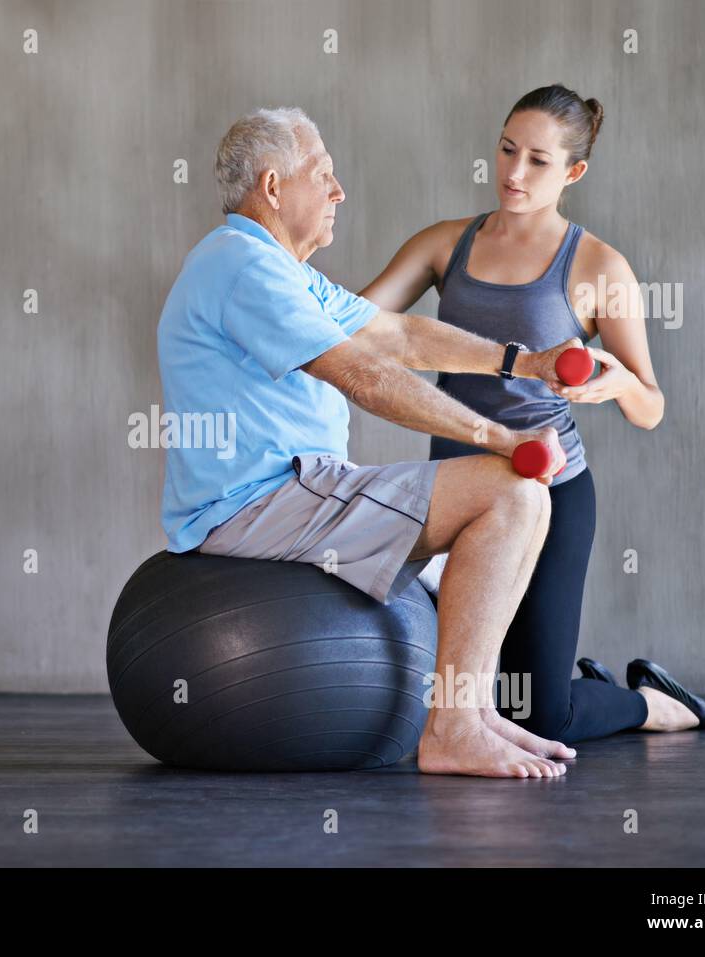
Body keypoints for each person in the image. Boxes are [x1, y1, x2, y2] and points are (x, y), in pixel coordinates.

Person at [158, 107, 584, 778]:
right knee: (510, 493)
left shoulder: (283, 270)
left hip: (298, 491)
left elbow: (399, 337)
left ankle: (472, 715)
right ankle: (452, 728)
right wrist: (499, 436)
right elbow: (359, 372)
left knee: (510, 511)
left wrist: (520, 361)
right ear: (273, 187)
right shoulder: (241, 265)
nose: (338, 192)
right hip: (259, 503)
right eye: (323, 175)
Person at [359, 84, 705, 742]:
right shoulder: (446, 244)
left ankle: (650, 703)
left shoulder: (600, 266)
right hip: (452, 490)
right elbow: (357, 322)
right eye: (506, 150)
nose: (514, 173)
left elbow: (651, 406)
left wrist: (615, 385)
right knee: (451, 692)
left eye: (538, 161)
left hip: (549, 492)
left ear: (574, 172)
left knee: (539, 713)